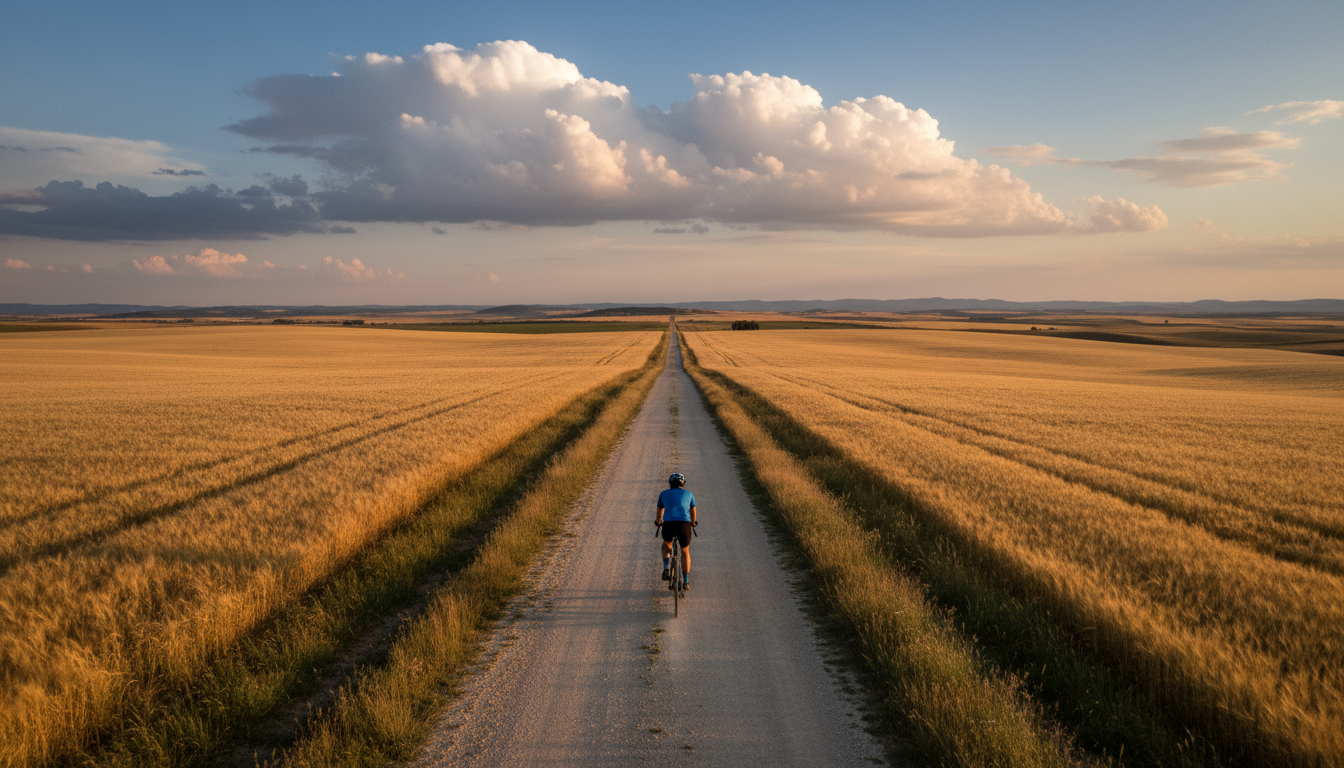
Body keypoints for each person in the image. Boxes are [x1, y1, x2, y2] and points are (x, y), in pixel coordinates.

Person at [656, 472, 697, 590]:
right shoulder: (689, 494)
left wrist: (659, 521)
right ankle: (686, 581)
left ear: (670, 483)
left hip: (669, 523)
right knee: (685, 550)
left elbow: (660, 510)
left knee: (666, 543)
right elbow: (693, 511)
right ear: (683, 484)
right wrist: (693, 522)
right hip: (684, 524)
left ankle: (666, 568)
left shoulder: (663, 494)